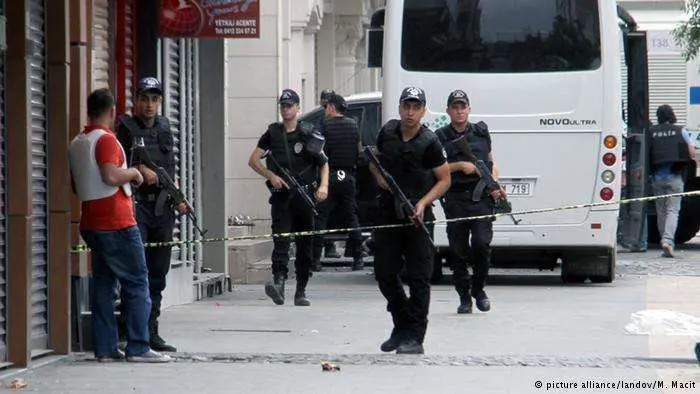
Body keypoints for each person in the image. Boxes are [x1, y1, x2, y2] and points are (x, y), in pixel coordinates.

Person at [68, 88, 171, 363]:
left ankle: (105, 348)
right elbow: (111, 175)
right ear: (113, 112)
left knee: (103, 283)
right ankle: (139, 346)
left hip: (91, 221)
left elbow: (76, 184)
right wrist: (135, 172)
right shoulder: (107, 140)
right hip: (116, 222)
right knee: (138, 281)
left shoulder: (78, 142)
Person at [370, 86, 451, 354]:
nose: (410, 112)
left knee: (418, 278)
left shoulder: (430, 142)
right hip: (387, 214)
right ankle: (401, 323)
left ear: (423, 110)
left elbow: (444, 180)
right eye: (406, 106)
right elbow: (374, 161)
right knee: (384, 273)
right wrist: (381, 180)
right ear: (400, 107)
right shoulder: (388, 133)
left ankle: (415, 336)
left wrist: (423, 202)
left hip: (418, 217)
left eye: (416, 107)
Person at [116, 77, 187, 352]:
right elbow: (116, 163)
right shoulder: (126, 128)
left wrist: (178, 196)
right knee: (137, 270)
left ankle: (151, 330)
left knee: (158, 272)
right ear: (136, 100)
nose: (149, 104)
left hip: (163, 208)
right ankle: (131, 330)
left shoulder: (165, 127)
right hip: (137, 207)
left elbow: (169, 167)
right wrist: (138, 171)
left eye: (154, 99)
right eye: (144, 98)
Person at [248, 89, 329, 306]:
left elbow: (324, 163)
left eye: (290, 105)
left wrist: (324, 186)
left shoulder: (308, 132)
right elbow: (254, 160)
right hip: (282, 198)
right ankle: (279, 285)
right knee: (281, 241)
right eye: (283, 106)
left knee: (305, 246)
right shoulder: (272, 134)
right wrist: (271, 175)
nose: (286, 109)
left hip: (305, 198)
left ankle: (301, 290)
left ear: (298, 108)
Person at [434, 89, 503, 314]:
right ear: (448, 111)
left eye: (463, 107)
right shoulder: (440, 137)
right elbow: (434, 168)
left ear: (469, 109)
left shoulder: (481, 133)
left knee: (482, 246)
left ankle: (479, 289)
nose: (459, 111)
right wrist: (459, 166)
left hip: (481, 198)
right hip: (455, 199)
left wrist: (495, 185)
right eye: (455, 107)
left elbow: (492, 162)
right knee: (459, 252)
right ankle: (464, 297)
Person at [312, 92, 365, 271]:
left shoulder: (324, 127)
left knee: (320, 217)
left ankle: (315, 260)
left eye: (327, 106)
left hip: (329, 177)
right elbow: (359, 151)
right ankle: (358, 258)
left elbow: (317, 153)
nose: (325, 109)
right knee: (352, 217)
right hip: (348, 177)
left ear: (332, 107)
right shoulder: (353, 126)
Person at [648, 104, 696, 257]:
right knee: (672, 210)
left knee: (661, 211)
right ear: (672, 115)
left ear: (658, 117)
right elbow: (692, 152)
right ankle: (668, 241)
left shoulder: (651, 132)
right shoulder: (680, 130)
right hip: (675, 177)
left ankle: (664, 240)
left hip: (656, 178)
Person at [317, 88, 342, 260]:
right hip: (326, 171)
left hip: (333, 172)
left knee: (328, 212)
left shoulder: (327, 122)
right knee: (323, 212)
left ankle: (327, 248)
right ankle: (326, 247)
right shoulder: (320, 121)